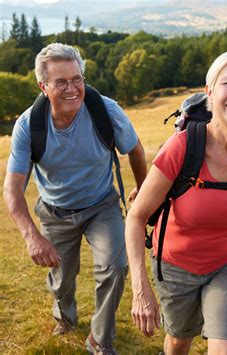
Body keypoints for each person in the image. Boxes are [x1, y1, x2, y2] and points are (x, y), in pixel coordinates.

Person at [125, 49, 227, 354]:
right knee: (178, 342)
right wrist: (140, 288)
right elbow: (136, 217)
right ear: (210, 93)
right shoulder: (181, 148)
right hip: (175, 264)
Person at [3, 43, 147, 354]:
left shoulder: (105, 110)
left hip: (102, 206)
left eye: (77, 79)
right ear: (43, 86)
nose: (72, 89)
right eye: (61, 82)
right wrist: (31, 237)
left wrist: (144, 192)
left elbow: (134, 150)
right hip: (55, 212)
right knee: (62, 280)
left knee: (115, 266)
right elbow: (12, 190)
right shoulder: (29, 125)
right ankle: (65, 316)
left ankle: (99, 338)